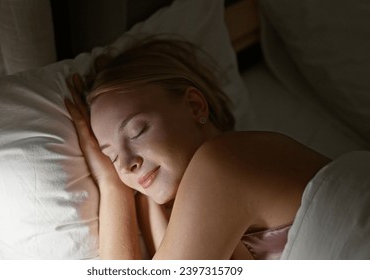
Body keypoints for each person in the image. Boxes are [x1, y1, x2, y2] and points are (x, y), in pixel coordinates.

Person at [64, 37, 331, 260]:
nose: (125, 164)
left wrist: (112, 186)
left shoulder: (223, 162)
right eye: (111, 156)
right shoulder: (216, 214)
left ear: (195, 106)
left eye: (138, 131)